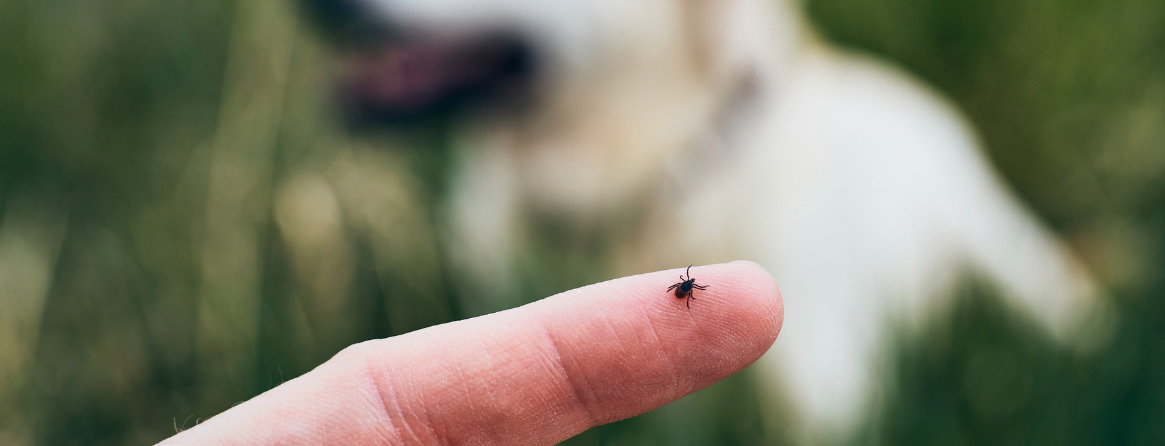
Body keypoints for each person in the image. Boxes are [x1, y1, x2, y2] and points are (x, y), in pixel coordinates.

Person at [159, 262, 782, 445]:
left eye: (686, 287)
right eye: (686, 287)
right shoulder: (684, 293)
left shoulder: (678, 290)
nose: (686, 290)